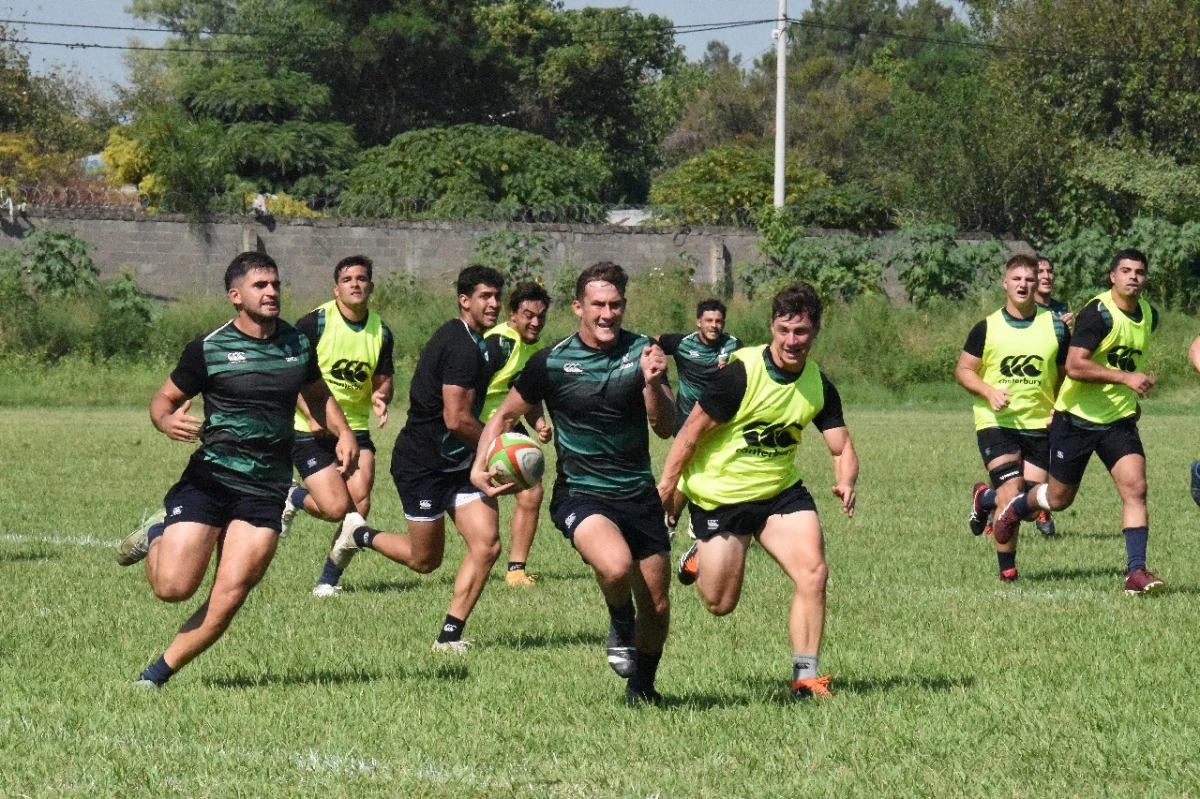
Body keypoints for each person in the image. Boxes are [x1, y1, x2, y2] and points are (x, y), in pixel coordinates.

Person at [116, 252, 357, 687]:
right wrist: (165, 419)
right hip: (211, 481)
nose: (271, 293)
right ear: (235, 295)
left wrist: (343, 432)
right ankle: (156, 532)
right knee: (173, 588)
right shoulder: (209, 348)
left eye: (275, 285)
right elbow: (162, 400)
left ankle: (153, 678)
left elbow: (317, 394)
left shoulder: (296, 343)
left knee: (228, 596)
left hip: (266, 489)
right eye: (260, 286)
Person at [470, 262, 675, 706]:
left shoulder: (644, 352)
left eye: (615, 304)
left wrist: (655, 384)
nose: (607, 314)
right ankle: (620, 617)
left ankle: (642, 688)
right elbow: (504, 415)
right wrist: (478, 466)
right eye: (597, 304)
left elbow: (664, 427)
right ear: (578, 307)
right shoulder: (553, 361)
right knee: (616, 566)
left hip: (637, 493)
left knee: (657, 608)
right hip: (582, 493)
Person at [657, 283, 857, 700]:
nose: (791, 340)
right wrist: (666, 487)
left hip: (779, 494)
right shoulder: (740, 374)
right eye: (783, 330)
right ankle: (700, 550)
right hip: (720, 497)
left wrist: (846, 478)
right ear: (771, 327)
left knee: (813, 572)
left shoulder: (818, 384)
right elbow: (690, 433)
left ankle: (806, 677)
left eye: (800, 331)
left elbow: (841, 446)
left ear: (815, 331)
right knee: (719, 603)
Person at [329, 266, 505, 652]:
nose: (494, 304)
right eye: (485, 297)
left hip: (458, 464)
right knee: (425, 561)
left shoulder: (474, 341)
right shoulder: (460, 346)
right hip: (423, 464)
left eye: (496, 296)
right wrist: (497, 445)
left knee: (487, 544)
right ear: (464, 301)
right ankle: (359, 535)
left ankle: (449, 637)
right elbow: (455, 418)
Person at [993, 249, 1164, 595]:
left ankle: (1135, 572)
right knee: (1058, 499)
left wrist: (1127, 395)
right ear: (1111, 276)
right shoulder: (1097, 313)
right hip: (1076, 420)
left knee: (1136, 488)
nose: (1133, 277)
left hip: (1118, 421)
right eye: (1126, 271)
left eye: (1140, 272)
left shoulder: (1149, 314)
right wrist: (1125, 380)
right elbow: (1074, 365)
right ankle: (1015, 507)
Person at [277, 255, 395, 597]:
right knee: (334, 508)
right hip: (309, 427)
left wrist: (381, 397)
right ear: (336, 288)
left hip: (355, 427)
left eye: (362, 279)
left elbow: (384, 380)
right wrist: (313, 416)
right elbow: (292, 378)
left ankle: (328, 581)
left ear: (370, 287)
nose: (355, 284)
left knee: (359, 504)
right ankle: (294, 495)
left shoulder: (381, 331)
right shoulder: (314, 323)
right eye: (348, 279)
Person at [955, 255, 1070, 581]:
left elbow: (1065, 374)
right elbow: (963, 371)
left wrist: (1058, 406)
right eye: (1016, 279)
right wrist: (988, 390)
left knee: (1031, 506)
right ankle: (1008, 574)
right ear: (1005, 283)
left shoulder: (1057, 326)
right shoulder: (987, 327)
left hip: (1039, 424)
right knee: (1010, 490)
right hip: (996, 422)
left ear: (1038, 284)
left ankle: (983, 498)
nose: (1023, 284)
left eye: (1029, 279)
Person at [480, 282, 553, 587]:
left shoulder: (535, 347)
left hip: (509, 429)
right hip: (480, 426)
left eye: (540, 316)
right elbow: (465, 388)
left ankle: (516, 571)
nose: (535, 322)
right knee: (481, 494)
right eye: (528, 315)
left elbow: (526, 395)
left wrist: (537, 422)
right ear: (512, 314)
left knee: (532, 490)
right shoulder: (498, 344)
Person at [657, 299, 742, 535]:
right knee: (688, 469)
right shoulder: (681, 343)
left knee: (715, 468)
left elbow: (747, 372)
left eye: (718, 321)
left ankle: (691, 518)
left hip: (719, 420)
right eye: (709, 320)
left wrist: (732, 369)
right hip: (686, 419)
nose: (714, 325)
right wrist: (660, 378)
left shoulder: (734, 345)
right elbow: (653, 343)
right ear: (698, 322)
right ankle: (678, 518)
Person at [1035, 255, 1074, 326]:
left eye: (1049, 271)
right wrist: (1058, 327)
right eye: (1040, 271)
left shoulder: (1061, 308)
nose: (1046, 276)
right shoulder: (1026, 310)